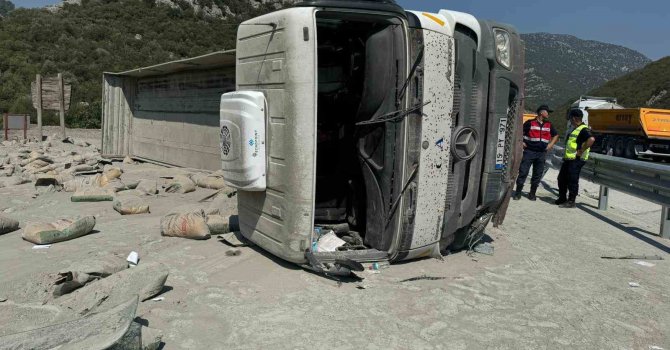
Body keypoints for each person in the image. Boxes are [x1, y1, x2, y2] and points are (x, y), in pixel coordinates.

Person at [513, 104, 559, 201]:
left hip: (541, 153)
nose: (549, 114)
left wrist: (550, 145)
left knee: (537, 174)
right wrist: (522, 143)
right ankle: (518, 192)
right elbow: (519, 132)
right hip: (529, 152)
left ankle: (532, 193)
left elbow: (556, 135)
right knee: (523, 172)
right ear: (541, 112)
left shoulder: (549, 124)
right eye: (547, 112)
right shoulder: (529, 123)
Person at [556, 109, 596, 208]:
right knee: (561, 178)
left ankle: (571, 201)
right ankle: (562, 198)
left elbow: (591, 139)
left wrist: (581, 151)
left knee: (572, 180)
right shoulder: (575, 128)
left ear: (574, 118)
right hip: (568, 159)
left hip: (576, 159)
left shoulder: (583, 129)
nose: (570, 120)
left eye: (570, 118)